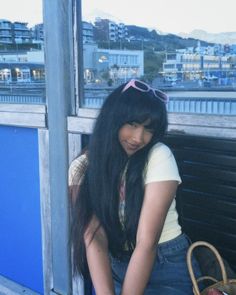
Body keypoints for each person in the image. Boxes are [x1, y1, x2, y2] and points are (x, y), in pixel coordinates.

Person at [69, 79, 201, 295]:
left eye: (148, 129)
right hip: (116, 265)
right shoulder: (82, 167)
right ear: (113, 120)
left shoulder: (158, 155)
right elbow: (94, 235)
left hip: (166, 263)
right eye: (132, 124)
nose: (139, 138)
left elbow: (147, 241)